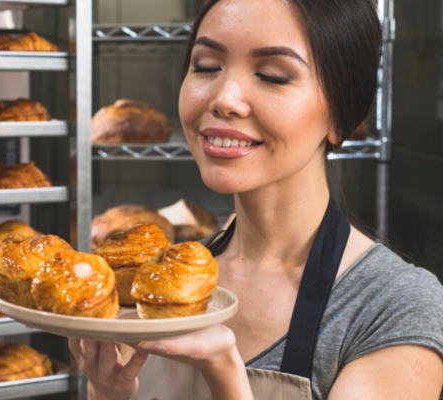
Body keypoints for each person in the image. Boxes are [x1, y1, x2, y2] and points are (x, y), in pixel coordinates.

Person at [69, 0, 443, 399]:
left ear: (340, 117)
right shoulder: (161, 283)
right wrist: (111, 393)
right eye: (207, 66)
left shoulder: (393, 307)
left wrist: (223, 371)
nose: (224, 98)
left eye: (273, 75)